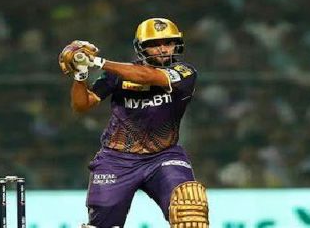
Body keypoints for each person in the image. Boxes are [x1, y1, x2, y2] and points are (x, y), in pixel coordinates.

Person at [58, 18, 209, 228]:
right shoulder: (117, 75)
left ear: (177, 45)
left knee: (190, 209)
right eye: (154, 44)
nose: (163, 49)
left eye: (168, 42)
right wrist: (80, 73)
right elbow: (82, 105)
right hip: (116, 159)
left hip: (164, 156)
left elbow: (146, 76)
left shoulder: (185, 73)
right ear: (141, 48)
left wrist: (96, 61)